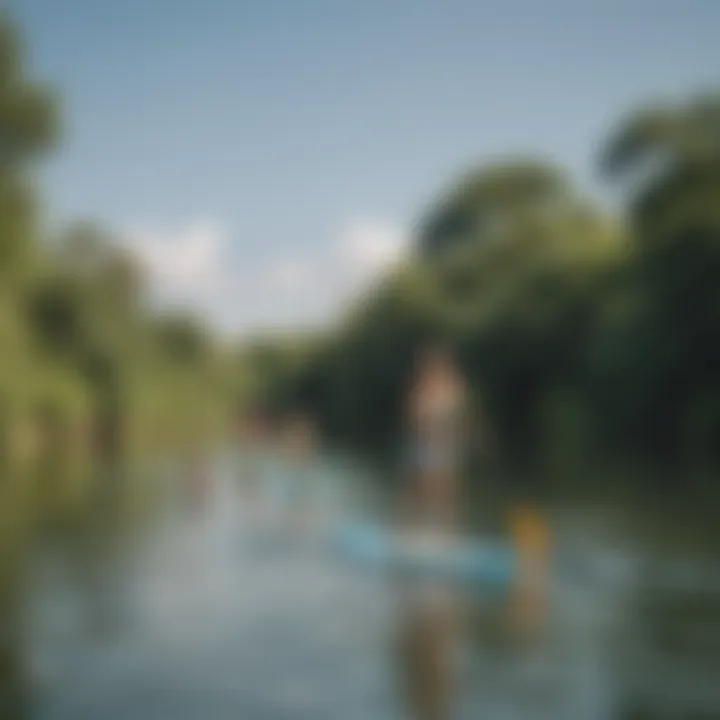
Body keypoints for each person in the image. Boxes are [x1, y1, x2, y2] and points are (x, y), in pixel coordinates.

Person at [395, 342, 469, 720]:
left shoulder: (450, 387)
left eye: (434, 366)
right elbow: (414, 417)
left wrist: (449, 422)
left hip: (441, 448)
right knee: (420, 489)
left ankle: (444, 537)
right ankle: (411, 535)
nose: (432, 370)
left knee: (443, 490)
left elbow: (459, 410)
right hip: (426, 447)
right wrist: (427, 421)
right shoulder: (421, 391)